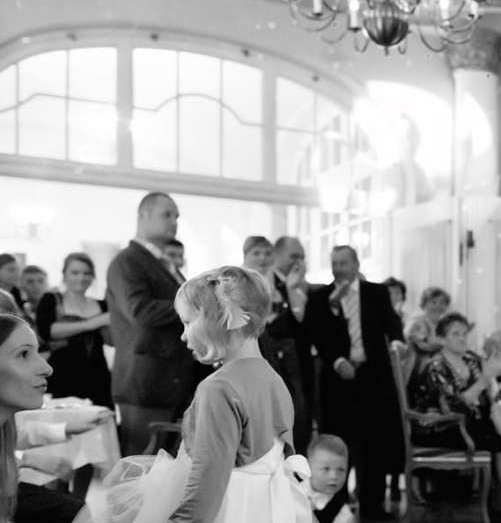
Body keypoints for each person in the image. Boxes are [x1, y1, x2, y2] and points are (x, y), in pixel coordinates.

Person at [103, 266, 312, 522]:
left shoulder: (219, 388)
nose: (183, 335)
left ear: (221, 319)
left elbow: (206, 486)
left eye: (188, 322)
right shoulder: (273, 379)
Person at [306, 246, 404, 521]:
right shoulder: (321, 296)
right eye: (334, 263)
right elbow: (317, 333)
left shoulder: (377, 292)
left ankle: (373, 509)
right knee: (338, 443)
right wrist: (337, 360)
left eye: (344, 263)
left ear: (357, 264)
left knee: (374, 444)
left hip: (374, 378)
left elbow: (392, 323)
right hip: (337, 380)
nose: (339, 268)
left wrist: (398, 341)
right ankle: (333, 509)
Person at [413, 312, 501, 520]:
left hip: (468, 424)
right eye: (456, 334)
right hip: (438, 428)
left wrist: (494, 377)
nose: (462, 338)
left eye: (464, 333)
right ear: (442, 339)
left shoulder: (471, 360)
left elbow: (484, 399)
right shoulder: (436, 366)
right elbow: (453, 407)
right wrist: (485, 379)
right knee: (496, 440)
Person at [106, 192, 195, 456]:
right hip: (145, 382)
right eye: (167, 214)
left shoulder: (164, 263)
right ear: (143, 215)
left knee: (165, 465)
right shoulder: (127, 261)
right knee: (140, 464)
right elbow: (140, 311)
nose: (174, 222)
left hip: (173, 380)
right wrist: (196, 305)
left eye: (176, 216)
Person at [0, 314, 91, 523]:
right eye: (24, 354)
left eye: (37, 352)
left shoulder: (6, 428)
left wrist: (64, 428)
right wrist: (28, 459)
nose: (47, 369)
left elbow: (22, 436)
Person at [35, 253, 112, 408]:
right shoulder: (51, 299)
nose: (81, 278)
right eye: (75, 272)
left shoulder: (102, 304)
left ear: (93, 277)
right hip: (62, 373)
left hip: (97, 374)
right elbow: (47, 331)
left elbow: (111, 340)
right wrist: (91, 323)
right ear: (64, 274)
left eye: (87, 273)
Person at [266, 236, 312, 454]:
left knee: (303, 422)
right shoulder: (268, 283)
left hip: (303, 360)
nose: (298, 262)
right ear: (276, 255)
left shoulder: (304, 285)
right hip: (278, 362)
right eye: (294, 256)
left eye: (302, 257)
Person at [304, 434, 356, 523]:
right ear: (307, 466)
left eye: (341, 469)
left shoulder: (343, 515)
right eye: (326, 469)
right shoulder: (291, 487)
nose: (334, 476)